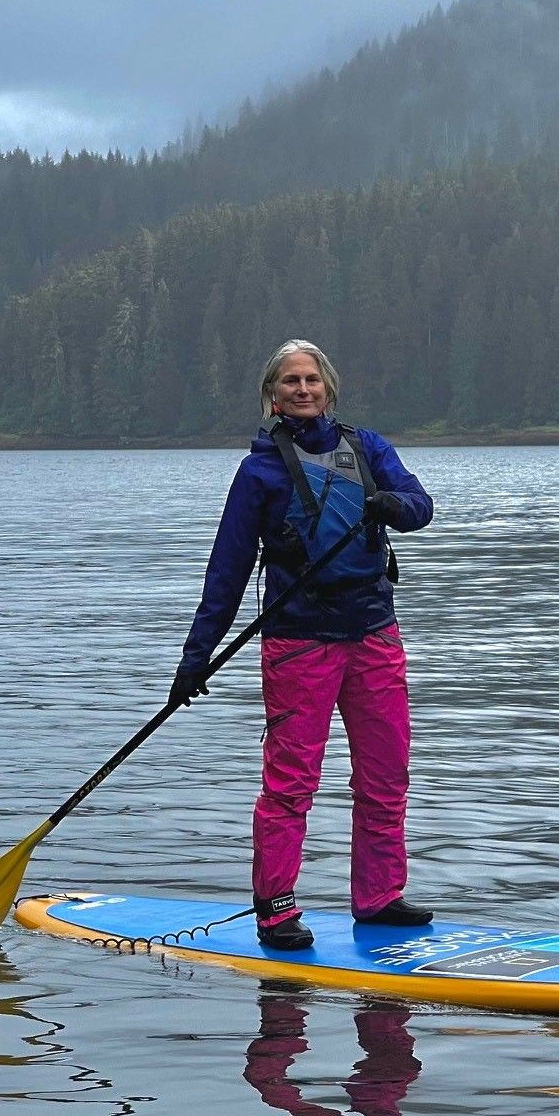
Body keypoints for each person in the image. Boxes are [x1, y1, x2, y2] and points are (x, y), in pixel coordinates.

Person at [171, 339, 435, 950]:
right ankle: (276, 910)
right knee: (291, 784)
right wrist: (196, 656)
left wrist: (393, 505)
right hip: (299, 644)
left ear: (328, 388)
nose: (302, 389)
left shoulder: (368, 448)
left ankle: (379, 898)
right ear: (273, 395)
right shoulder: (259, 472)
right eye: (290, 381)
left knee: (386, 774)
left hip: (373, 634)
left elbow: (421, 507)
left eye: (311, 379)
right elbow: (228, 569)